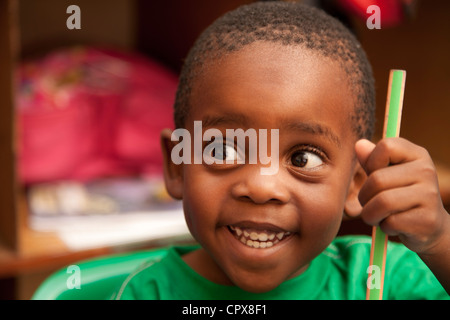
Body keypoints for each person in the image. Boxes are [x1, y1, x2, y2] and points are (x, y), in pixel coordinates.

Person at [114, 2, 449, 299]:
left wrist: (439, 240)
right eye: (223, 151)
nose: (262, 188)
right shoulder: (146, 293)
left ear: (356, 182)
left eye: (303, 158)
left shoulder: (383, 279)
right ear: (177, 166)